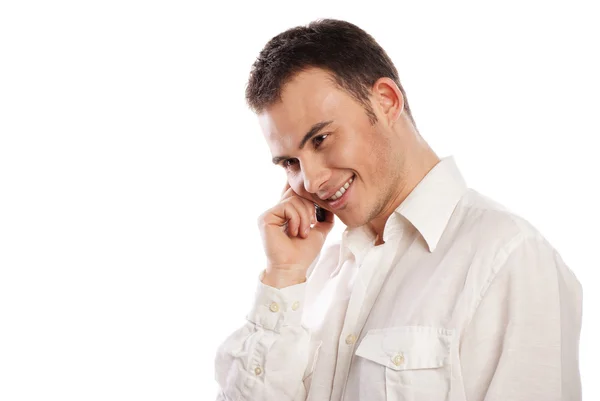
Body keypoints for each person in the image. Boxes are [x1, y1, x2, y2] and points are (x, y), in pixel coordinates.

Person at [214, 19, 583, 401]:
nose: (310, 181)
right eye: (290, 162)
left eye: (321, 139)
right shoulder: (318, 279)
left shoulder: (507, 256)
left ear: (386, 101)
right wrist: (285, 274)